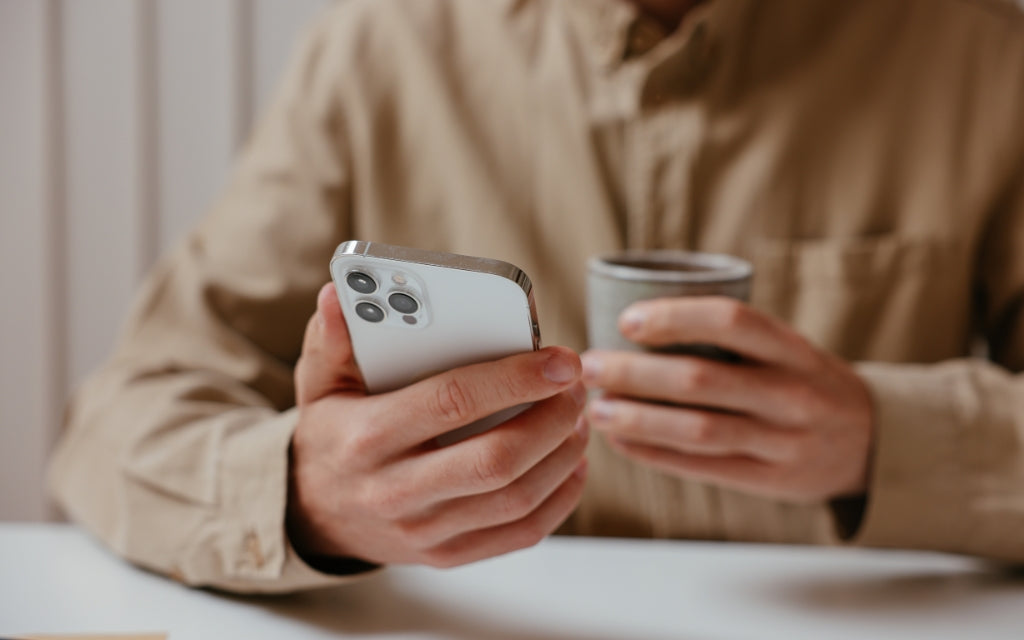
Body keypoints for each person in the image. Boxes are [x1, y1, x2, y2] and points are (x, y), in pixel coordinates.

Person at [49, 0, 1024, 593]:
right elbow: (116, 424)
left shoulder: (987, 62)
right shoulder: (373, 57)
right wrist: (305, 498)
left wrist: (883, 436)